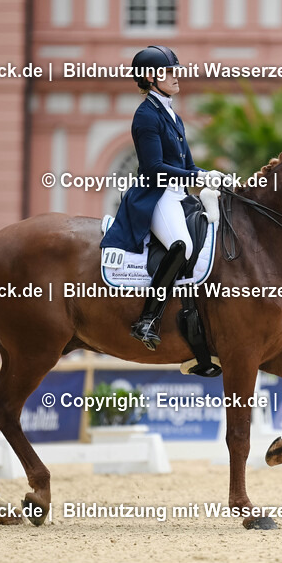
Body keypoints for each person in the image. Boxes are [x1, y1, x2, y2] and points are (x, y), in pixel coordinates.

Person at [100, 45, 224, 350]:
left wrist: (212, 175)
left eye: (175, 69)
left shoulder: (171, 115)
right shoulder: (146, 116)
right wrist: (197, 178)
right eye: (169, 71)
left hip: (179, 194)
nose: (175, 76)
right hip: (157, 195)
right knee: (182, 245)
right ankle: (148, 319)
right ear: (150, 78)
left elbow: (189, 166)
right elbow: (155, 168)